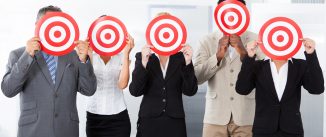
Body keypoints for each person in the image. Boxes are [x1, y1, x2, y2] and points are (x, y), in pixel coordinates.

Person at [1, 5, 97, 137]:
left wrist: (83, 60)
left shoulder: (74, 56)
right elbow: (8, 90)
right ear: (37, 25)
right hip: (32, 131)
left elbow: (89, 90)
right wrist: (27, 56)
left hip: (67, 130)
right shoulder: (18, 55)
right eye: (50, 21)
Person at [194, 0, 265, 136]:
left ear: (244, 12)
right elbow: (197, 77)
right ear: (219, 12)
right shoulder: (206, 40)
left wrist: (244, 53)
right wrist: (218, 56)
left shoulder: (256, 39)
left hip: (246, 115)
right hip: (215, 116)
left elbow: (265, 76)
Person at [236, 39, 325, 137]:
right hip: (263, 130)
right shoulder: (258, 66)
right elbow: (242, 89)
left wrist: (311, 54)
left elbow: (317, 89)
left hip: (292, 130)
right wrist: (250, 56)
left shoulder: (300, 66)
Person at [129, 12, 198, 137]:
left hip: (175, 122)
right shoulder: (143, 56)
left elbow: (190, 91)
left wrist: (188, 63)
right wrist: (144, 62)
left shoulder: (181, 57)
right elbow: (135, 91)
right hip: (149, 120)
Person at [86, 30, 134, 137]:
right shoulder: (89, 55)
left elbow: (122, 85)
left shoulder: (121, 56)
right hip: (94, 118)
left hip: (119, 118)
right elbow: (88, 85)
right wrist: (88, 56)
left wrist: (126, 53)